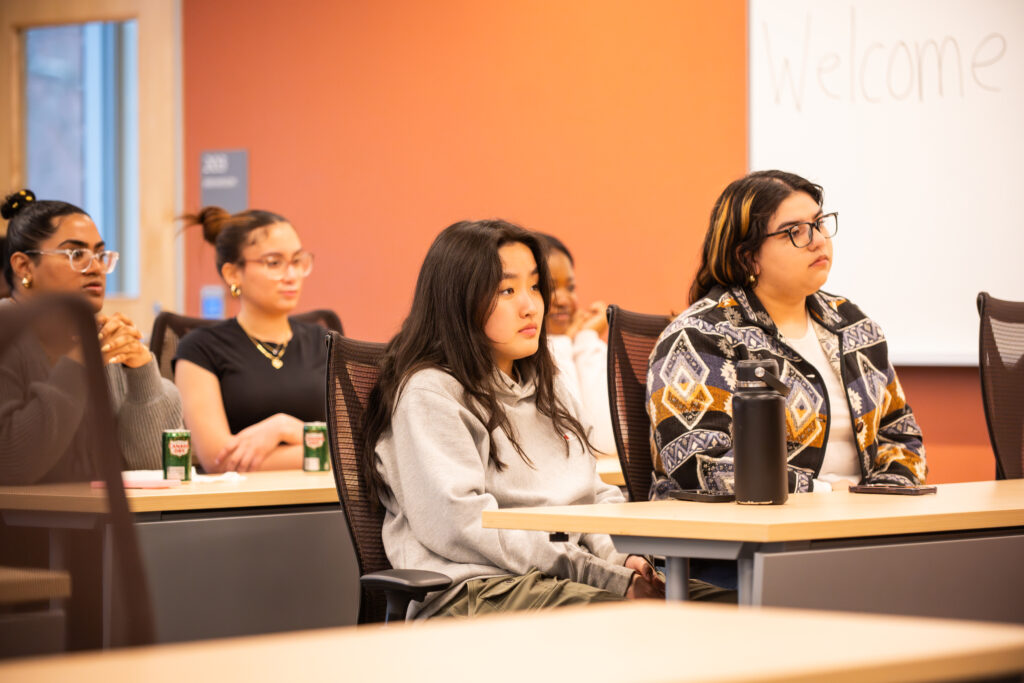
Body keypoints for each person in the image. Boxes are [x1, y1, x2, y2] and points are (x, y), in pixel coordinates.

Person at [647, 170, 927, 500]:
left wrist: (883, 498)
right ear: (748, 257)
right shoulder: (699, 336)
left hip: (858, 522)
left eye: (820, 223)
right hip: (745, 534)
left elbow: (901, 435)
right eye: (795, 232)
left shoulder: (854, 327)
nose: (819, 240)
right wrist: (824, 492)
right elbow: (699, 465)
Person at [0, 189, 182, 483]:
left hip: (99, 521)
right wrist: (78, 365)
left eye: (100, 254)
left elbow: (150, 472)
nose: (95, 267)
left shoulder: (101, 338)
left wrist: (142, 374)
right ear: (24, 266)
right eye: (76, 254)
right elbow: (12, 464)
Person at [174, 207, 324, 473]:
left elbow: (358, 443)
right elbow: (220, 460)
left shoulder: (325, 342)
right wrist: (326, 450)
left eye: (298, 260)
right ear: (233, 273)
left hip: (329, 503)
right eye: (274, 262)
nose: (292, 276)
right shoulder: (199, 348)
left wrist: (284, 428)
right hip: (243, 507)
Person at [536, 233, 616, 456]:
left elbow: (605, 442)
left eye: (570, 288)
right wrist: (562, 344)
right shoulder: (515, 364)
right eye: (549, 287)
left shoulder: (580, 347)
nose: (563, 300)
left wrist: (587, 338)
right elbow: (576, 444)